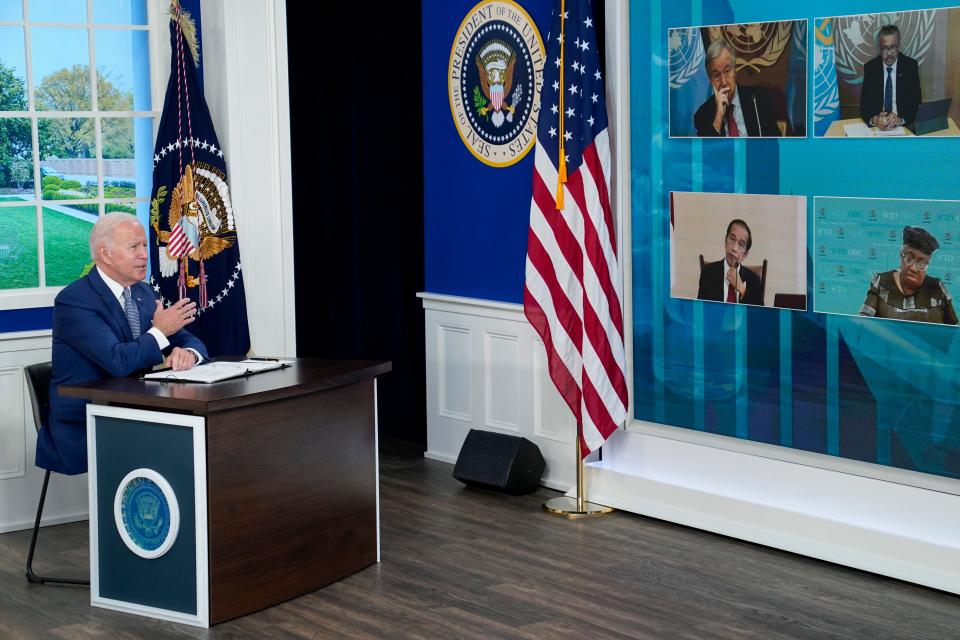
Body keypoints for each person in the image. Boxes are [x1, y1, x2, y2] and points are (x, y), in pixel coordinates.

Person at [36, 213, 209, 475]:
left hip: (140, 409)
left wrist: (189, 353)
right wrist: (161, 330)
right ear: (105, 254)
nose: (144, 254)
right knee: (181, 448)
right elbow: (118, 361)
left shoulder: (143, 291)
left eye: (144, 246)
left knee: (205, 439)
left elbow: (186, 338)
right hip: (89, 419)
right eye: (134, 247)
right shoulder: (74, 301)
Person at [860, 226, 957, 324]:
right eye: (909, 259)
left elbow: (955, 332)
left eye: (922, 264)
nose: (914, 268)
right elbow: (862, 326)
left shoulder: (937, 289)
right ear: (901, 255)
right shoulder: (882, 283)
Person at [693, 39, 780, 137]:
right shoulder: (703, 115)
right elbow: (706, 150)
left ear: (735, 69)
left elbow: (776, 146)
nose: (724, 82)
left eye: (727, 71)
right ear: (710, 79)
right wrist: (718, 117)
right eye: (716, 75)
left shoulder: (758, 100)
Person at [859, 24, 921, 130]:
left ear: (898, 46)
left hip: (903, 127)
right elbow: (864, 107)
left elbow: (916, 104)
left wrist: (900, 119)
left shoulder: (910, 66)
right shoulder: (871, 68)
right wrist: (875, 120)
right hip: (878, 128)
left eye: (893, 47)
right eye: (884, 49)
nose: (889, 54)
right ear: (879, 47)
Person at [697, 219, 764, 306]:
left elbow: (760, 315)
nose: (734, 248)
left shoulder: (753, 280)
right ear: (725, 241)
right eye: (732, 239)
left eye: (741, 244)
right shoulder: (708, 272)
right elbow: (700, 311)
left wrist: (742, 289)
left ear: (745, 254)